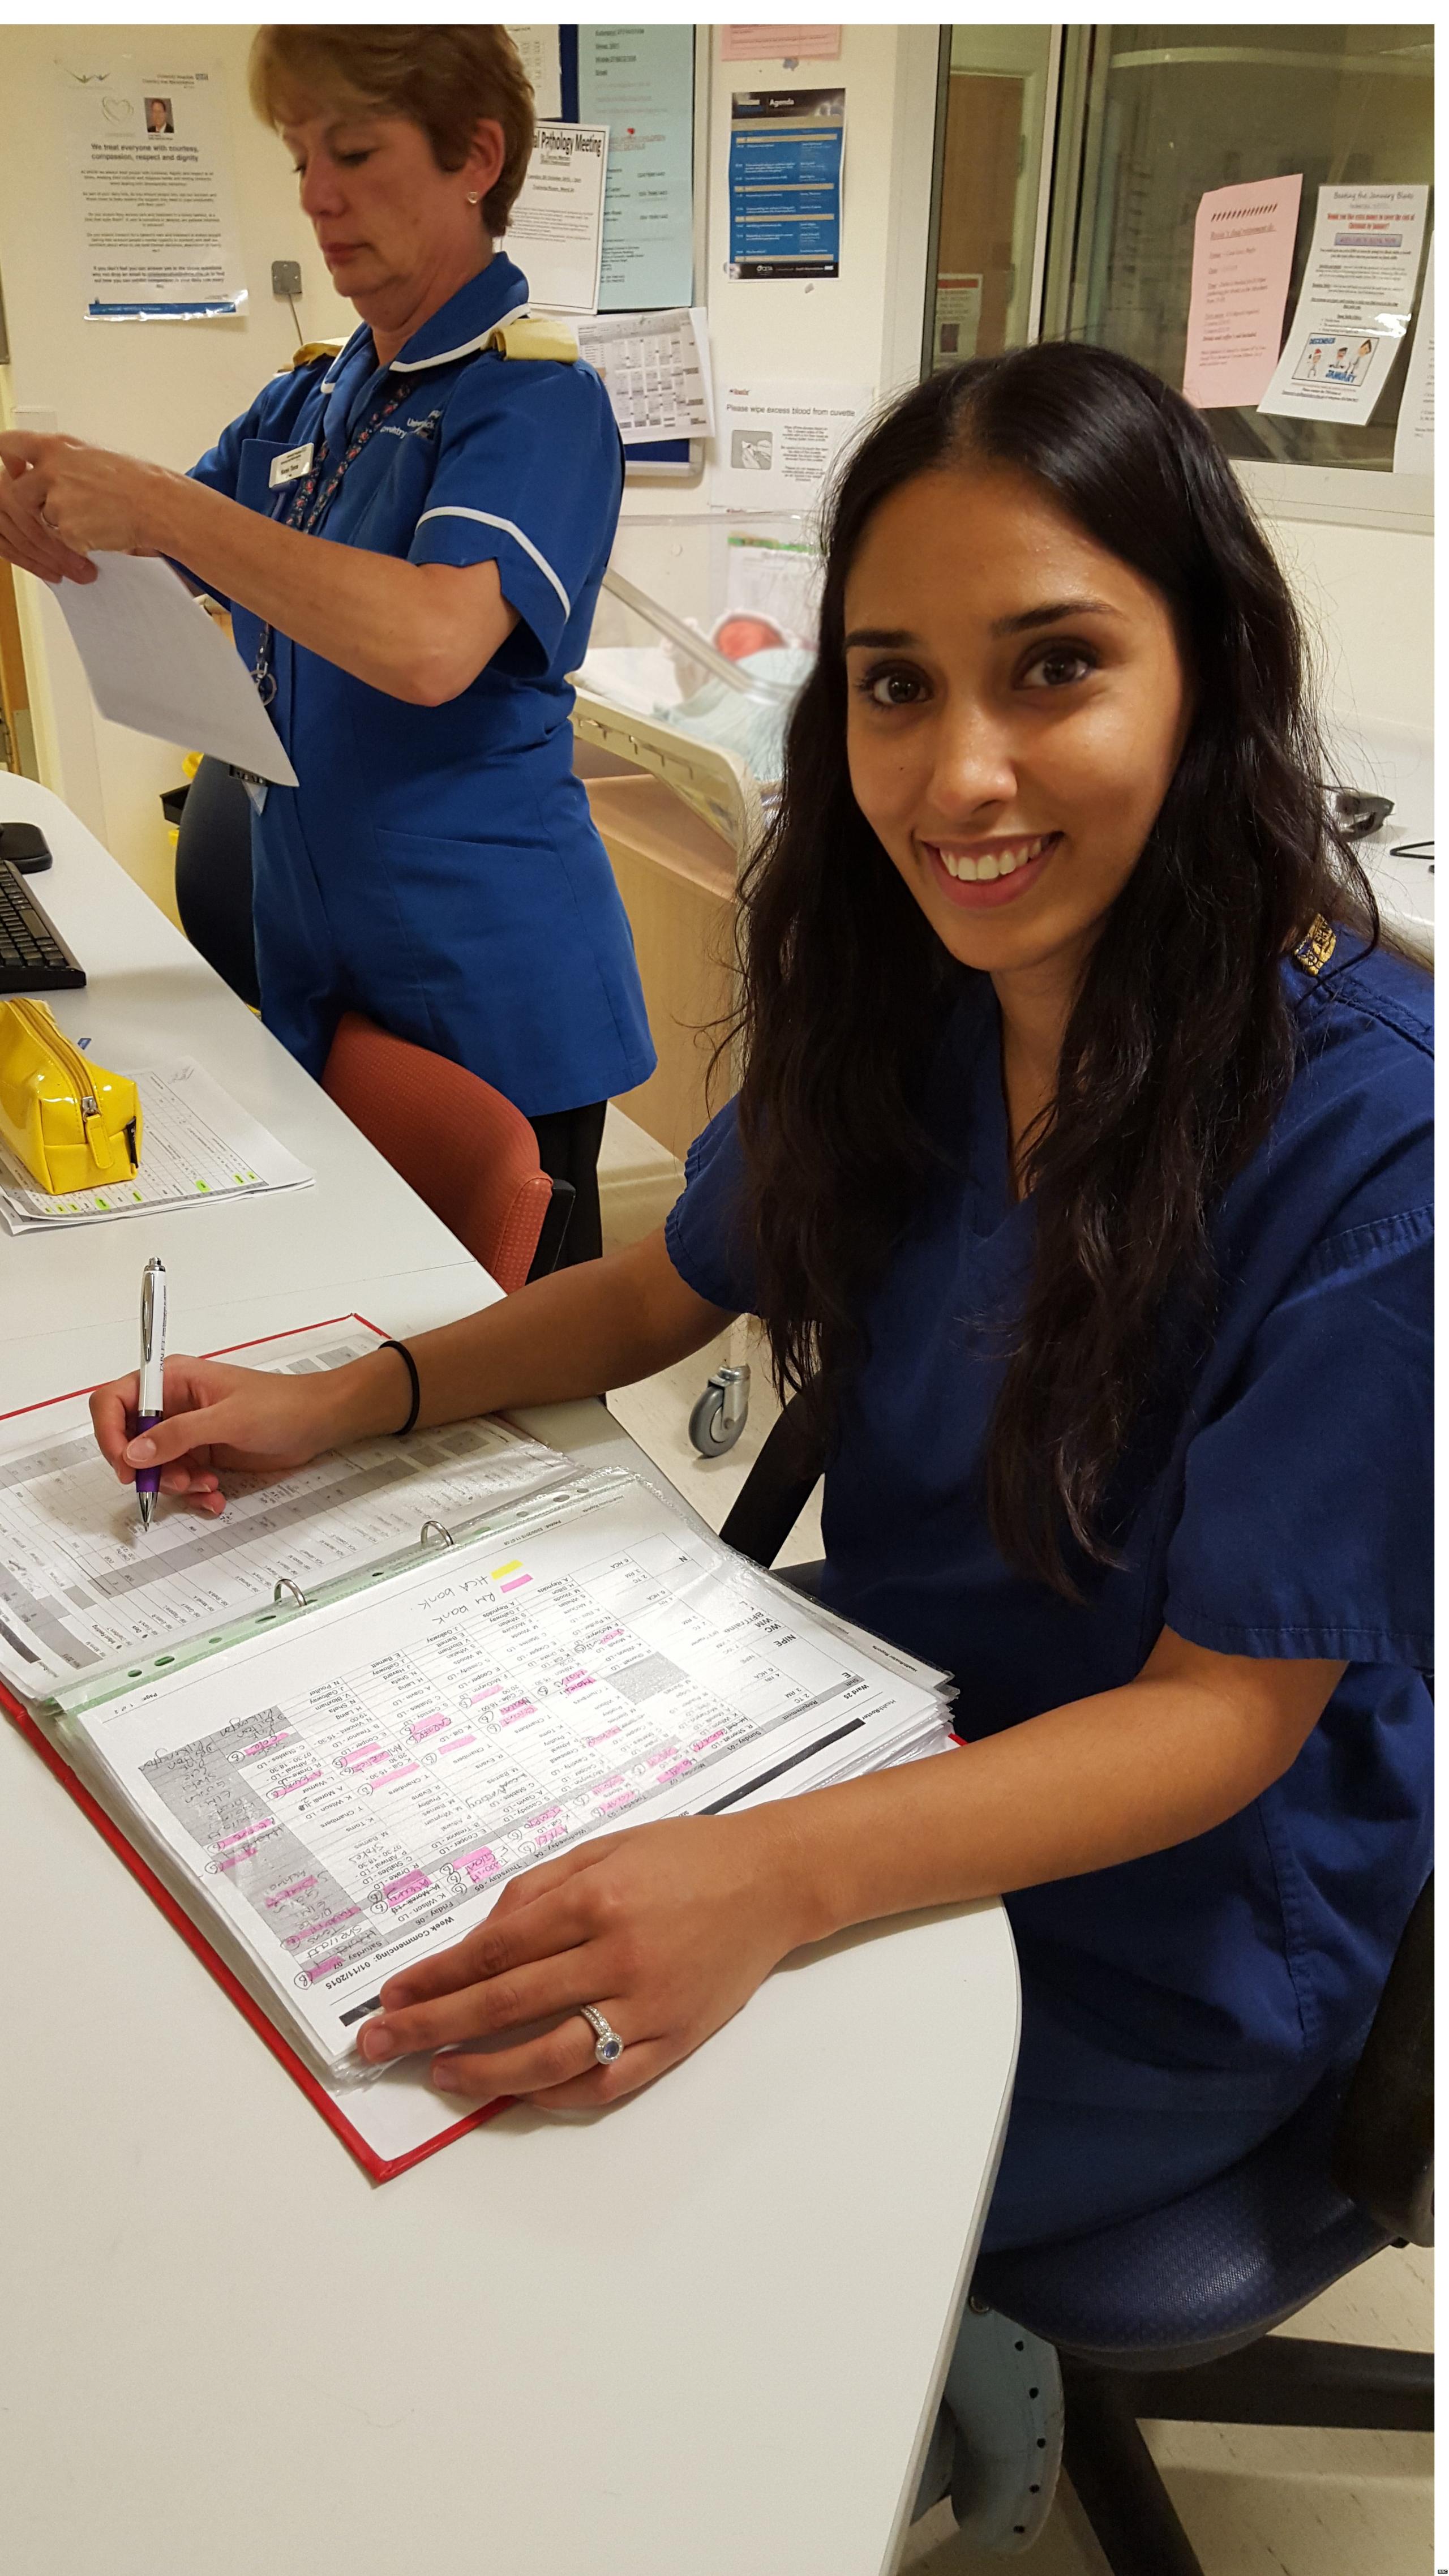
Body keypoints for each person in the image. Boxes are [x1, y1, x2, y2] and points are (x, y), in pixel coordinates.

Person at [89, 344, 1431, 2259]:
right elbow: (661, 1285)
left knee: (566, 2216)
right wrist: (348, 1396)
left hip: (1160, 1922)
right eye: (896, 685)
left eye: (1055, 665)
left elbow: (1221, 1721)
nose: (960, 772)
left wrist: (772, 1879)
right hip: (869, 1719)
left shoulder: (1384, 1146)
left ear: (1206, 668)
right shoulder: (923, 998)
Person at [0, 26, 653, 1263]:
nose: (316, 194)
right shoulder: (315, 394)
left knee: (504, 1385)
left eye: (352, 150)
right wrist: (50, 507)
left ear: (476, 157)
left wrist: (155, 503)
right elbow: (158, 550)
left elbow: (431, 643)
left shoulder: (534, 399)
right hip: (325, 973)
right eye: (300, 156)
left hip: (488, 991)